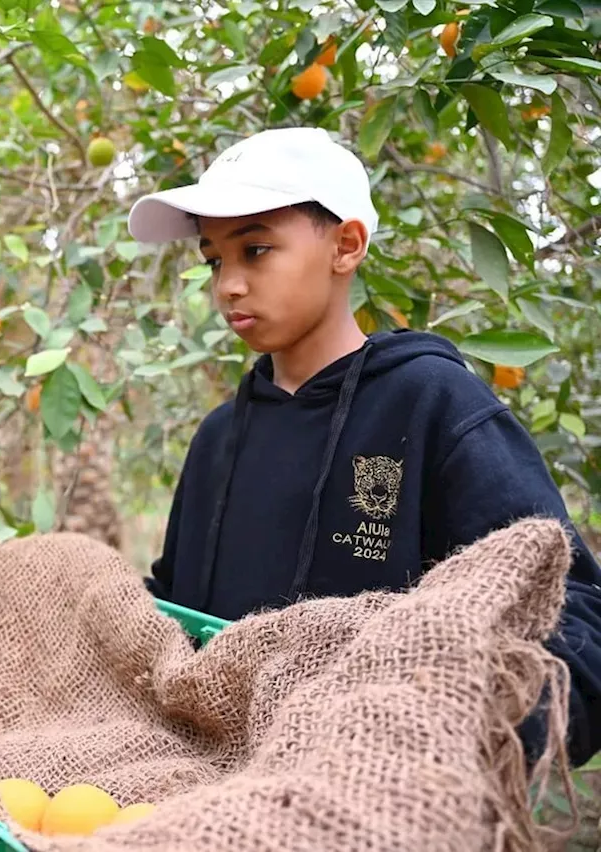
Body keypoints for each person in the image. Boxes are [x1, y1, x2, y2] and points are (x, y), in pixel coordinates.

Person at [126, 127, 601, 767]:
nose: (229, 285)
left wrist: (437, 737)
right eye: (215, 260)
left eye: (257, 250)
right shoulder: (219, 436)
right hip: (217, 801)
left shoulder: (433, 405)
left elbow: (575, 624)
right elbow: (176, 609)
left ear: (346, 246)